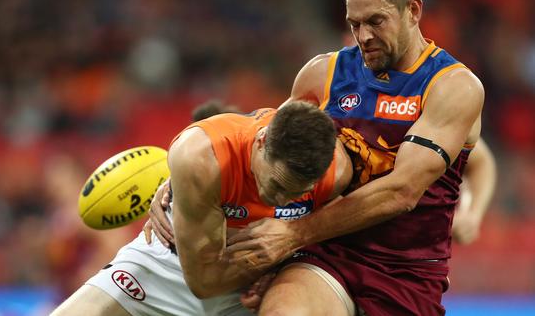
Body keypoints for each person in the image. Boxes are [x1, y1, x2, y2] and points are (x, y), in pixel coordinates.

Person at [148, 0, 491, 315]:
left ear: (413, 11)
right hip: (325, 253)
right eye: (355, 23)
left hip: (406, 271)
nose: (364, 36)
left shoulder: (452, 86)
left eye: (376, 21)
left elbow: (402, 192)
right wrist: (180, 182)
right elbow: (267, 149)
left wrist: (293, 234)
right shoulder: (323, 73)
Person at [51, 101, 353, 315]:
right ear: (261, 142)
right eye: (276, 185)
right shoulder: (201, 156)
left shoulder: (337, 172)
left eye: (297, 193)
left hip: (253, 291)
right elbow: (204, 281)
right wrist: (280, 248)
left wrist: (292, 241)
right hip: (169, 267)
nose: (283, 200)